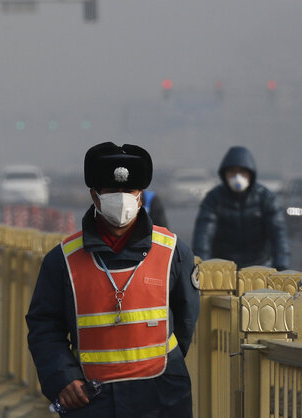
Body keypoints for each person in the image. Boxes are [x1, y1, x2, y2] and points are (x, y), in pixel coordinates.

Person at [26, 141, 199, 417]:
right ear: (95, 196)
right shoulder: (62, 261)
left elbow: (185, 323)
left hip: (162, 398)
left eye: (128, 191)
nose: (122, 199)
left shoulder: (174, 253)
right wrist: (64, 377)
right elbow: (44, 327)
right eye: (112, 191)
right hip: (92, 400)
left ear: (140, 195)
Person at [192, 146, 289, 270]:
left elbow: (279, 235)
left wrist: (281, 267)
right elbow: (203, 236)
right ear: (224, 174)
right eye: (232, 172)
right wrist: (202, 268)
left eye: (242, 172)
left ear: (250, 174)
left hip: (260, 267)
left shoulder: (266, 198)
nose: (237, 177)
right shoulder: (214, 199)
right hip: (224, 270)